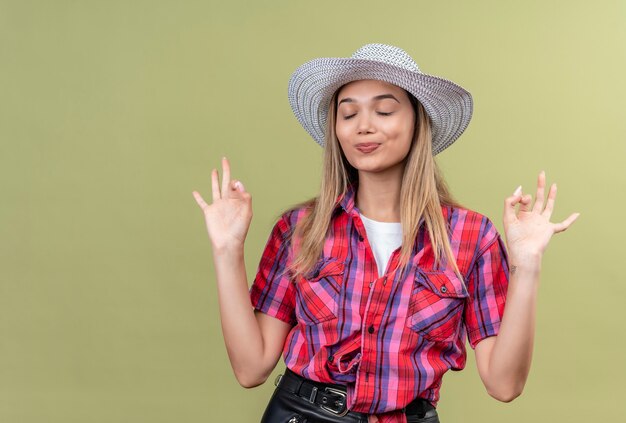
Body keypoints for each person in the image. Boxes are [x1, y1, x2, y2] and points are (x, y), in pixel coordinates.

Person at [192, 43, 580, 423]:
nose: (364, 126)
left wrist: (527, 265)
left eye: (384, 110)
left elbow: (504, 384)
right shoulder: (300, 229)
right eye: (348, 114)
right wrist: (227, 250)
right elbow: (250, 368)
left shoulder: (470, 237)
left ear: (416, 120)